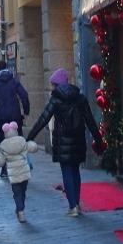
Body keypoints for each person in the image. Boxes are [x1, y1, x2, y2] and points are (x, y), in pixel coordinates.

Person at [27, 69, 101, 216]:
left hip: (63, 141)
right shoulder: (80, 98)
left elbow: (43, 119)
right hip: (78, 140)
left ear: (57, 85)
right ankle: (77, 204)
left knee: (67, 172)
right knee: (75, 171)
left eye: (53, 85)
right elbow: (90, 120)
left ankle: (73, 206)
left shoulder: (56, 100)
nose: (52, 88)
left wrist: (30, 136)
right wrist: (98, 139)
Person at [0, 60, 30, 178]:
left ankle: (5, 169)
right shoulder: (14, 81)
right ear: (6, 67)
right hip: (15, 116)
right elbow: (24, 96)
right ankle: (21, 167)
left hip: (0, 117)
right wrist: (26, 111)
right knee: (18, 140)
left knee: (3, 141)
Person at [0, 121, 40, 223]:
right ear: (16, 131)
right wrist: (34, 145)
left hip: (14, 176)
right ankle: (20, 208)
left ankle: (20, 210)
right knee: (23, 192)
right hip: (24, 173)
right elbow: (33, 147)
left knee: (17, 194)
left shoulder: (4, 146)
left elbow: (0, 162)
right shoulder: (22, 141)